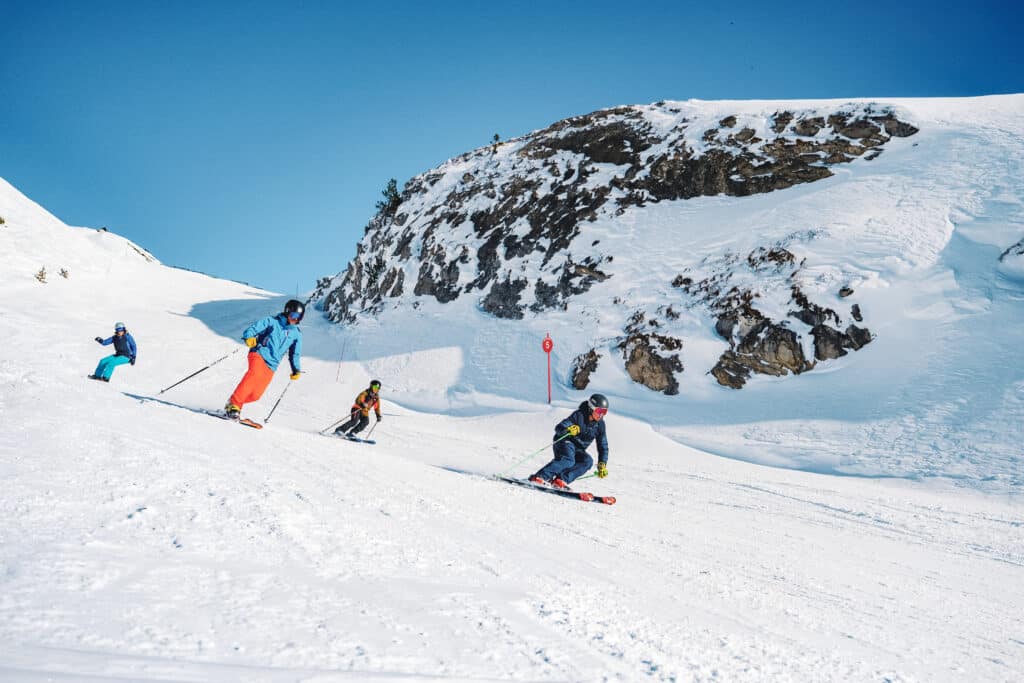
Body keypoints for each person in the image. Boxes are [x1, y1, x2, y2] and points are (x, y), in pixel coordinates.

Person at [224, 300, 304, 419]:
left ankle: (233, 403)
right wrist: (248, 337)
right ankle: (234, 405)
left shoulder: (296, 333)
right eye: (293, 315)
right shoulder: (272, 321)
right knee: (253, 375)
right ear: (287, 312)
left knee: (256, 395)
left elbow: (295, 354)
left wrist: (296, 369)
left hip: (272, 364)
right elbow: (253, 328)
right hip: (259, 353)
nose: (295, 319)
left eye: (299, 317)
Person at [530, 393, 610, 489]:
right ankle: (540, 477)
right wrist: (568, 430)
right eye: (599, 411)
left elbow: (603, 446)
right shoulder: (579, 415)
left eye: (604, 412)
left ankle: (560, 480)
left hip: (578, 449)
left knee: (587, 461)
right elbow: (559, 428)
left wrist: (602, 463)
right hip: (564, 441)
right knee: (568, 460)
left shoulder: (600, 425)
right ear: (591, 407)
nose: (601, 415)